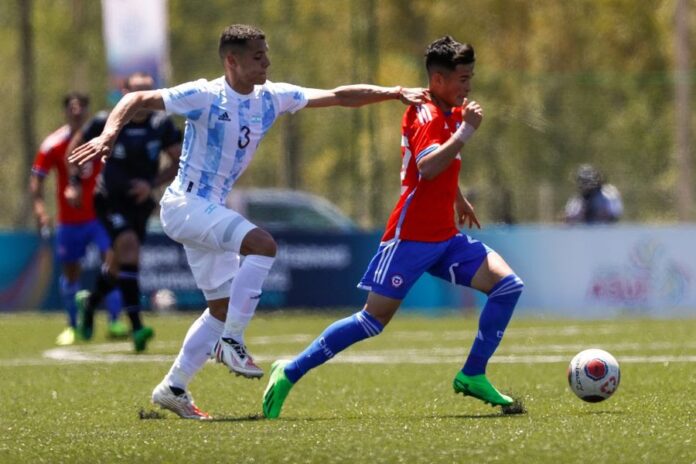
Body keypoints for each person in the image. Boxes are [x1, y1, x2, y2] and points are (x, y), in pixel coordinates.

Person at [69, 23, 427, 420]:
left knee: (220, 307)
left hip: (207, 208)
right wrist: (108, 136)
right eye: (258, 57)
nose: (267, 62)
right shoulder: (204, 95)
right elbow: (136, 98)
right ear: (232, 61)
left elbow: (340, 96)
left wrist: (394, 92)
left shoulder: (271, 97)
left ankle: (173, 387)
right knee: (263, 245)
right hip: (185, 203)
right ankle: (232, 342)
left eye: (266, 54)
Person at [262, 36, 525, 419]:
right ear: (437, 79)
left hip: (445, 238)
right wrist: (466, 132)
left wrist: (457, 198)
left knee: (507, 286)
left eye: (471, 78)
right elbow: (428, 166)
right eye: (462, 79)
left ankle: (472, 373)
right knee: (372, 321)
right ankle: (289, 370)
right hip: (410, 238)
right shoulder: (427, 114)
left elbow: (440, 171)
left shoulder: (449, 110)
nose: (468, 86)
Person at [67, 73, 183, 352]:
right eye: (137, 92)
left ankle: (91, 301)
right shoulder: (106, 121)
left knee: (120, 264)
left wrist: (151, 184)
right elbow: (74, 151)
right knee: (129, 249)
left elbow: (179, 160)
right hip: (109, 199)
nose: (143, 99)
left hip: (139, 204)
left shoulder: (161, 124)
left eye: (148, 92)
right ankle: (137, 326)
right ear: (124, 92)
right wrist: (74, 184)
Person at [30, 92, 127, 346]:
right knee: (71, 274)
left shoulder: (101, 137)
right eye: (72, 108)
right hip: (70, 221)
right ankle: (73, 326)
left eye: (81, 107)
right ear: (66, 112)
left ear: (86, 111)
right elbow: (37, 179)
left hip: (99, 216)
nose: (77, 112)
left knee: (113, 262)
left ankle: (115, 321)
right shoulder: (53, 145)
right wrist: (40, 209)